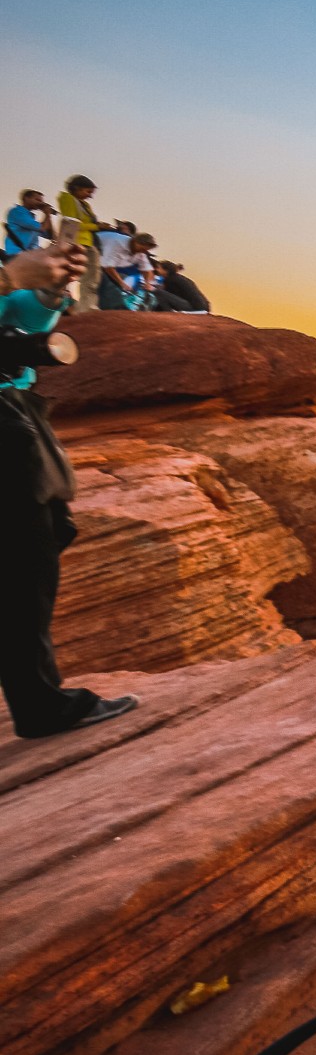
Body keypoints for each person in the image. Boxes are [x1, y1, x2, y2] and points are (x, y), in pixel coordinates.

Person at [0, 242, 140, 739]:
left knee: (41, 546)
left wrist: (46, 294)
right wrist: (10, 276)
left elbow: (18, 326)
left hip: (16, 406)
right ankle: (40, 704)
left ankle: (38, 698)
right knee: (23, 560)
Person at [54, 176, 102, 309]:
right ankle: (77, 308)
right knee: (71, 276)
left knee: (91, 278)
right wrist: (97, 227)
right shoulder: (68, 199)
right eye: (88, 192)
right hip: (75, 242)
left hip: (88, 242)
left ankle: (86, 307)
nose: (90, 196)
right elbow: (72, 223)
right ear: (77, 188)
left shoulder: (84, 204)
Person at [4, 190, 52, 258]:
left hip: (29, 255)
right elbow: (42, 228)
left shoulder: (30, 217)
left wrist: (48, 215)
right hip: (16, 254)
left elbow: (50, 235)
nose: (40, 203)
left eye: (41, 201)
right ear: (26, 198)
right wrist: (47, 214)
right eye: (37, 200)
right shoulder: (17, 212)